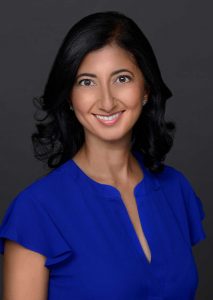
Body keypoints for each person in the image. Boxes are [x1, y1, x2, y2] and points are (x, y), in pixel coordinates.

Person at [0, 11, 206, 300]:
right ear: (69, 97)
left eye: (122, 78)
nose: (107, 101)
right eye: (87, 82)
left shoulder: (176, 189)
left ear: (145, 89)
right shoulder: (35, 212)